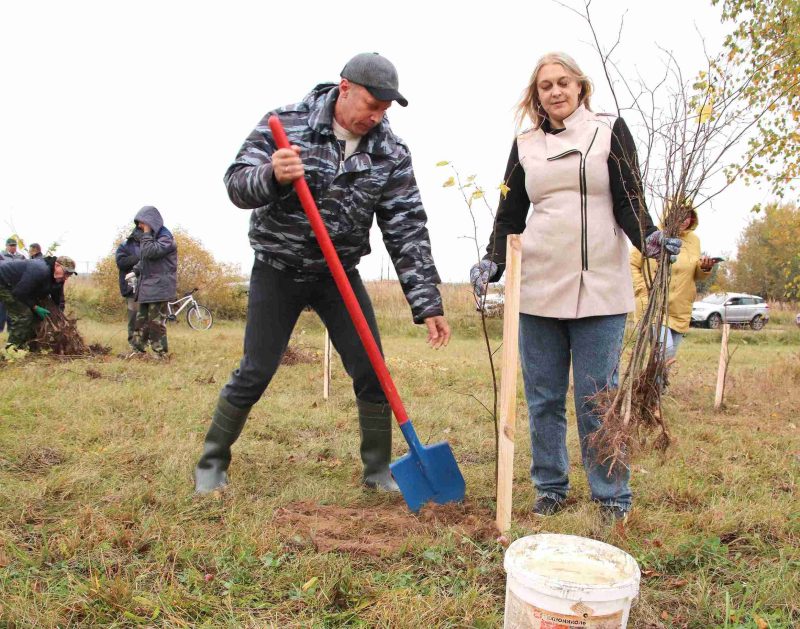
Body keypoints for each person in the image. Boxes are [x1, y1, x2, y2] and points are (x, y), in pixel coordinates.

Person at [193, 52, 450, 495]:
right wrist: (271, 175)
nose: (377, 116)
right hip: (278, 268)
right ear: (345, 88)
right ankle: (211, 463)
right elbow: (236, 183)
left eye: (385, 109)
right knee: (257, 369)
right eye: (372, 105)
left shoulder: (390, 152)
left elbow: (407, 227)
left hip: (338, 274)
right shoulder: (286, 124)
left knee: (371, 368)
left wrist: (427, 301)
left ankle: (378, 472)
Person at [470, 52, 681, 523]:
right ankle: (550, 488)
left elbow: (630, 199)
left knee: (597, 397)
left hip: (599, 284)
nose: (556, 91)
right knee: (543, 397)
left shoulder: (609, 130)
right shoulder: (525, 145)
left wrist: (649, 238)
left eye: (563, 82)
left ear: (580, 86)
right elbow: (509, 215)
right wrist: (493, 262)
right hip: (538, 285)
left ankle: (611, 496)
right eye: (545, 86)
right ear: (536, 95)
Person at [630, 206, 715, 366]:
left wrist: (704, 268)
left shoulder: (694, 241)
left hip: (679, 308)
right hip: (653, 305)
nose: (685, 219)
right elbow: (632, 264)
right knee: (665, 352)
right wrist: (642, 288)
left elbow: (695, 274)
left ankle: (652, 382)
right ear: (669, 213)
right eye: (680, 214)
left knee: (665, 362)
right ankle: (649, 380)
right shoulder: (652, 235)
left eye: (689, 215)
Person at [129, 206, 177, 357]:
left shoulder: (166, 239)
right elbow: (146, 259)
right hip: (147, 286)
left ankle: (160, 354)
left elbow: (150, 252)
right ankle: (138, 351)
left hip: (159, 287)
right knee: (141, 321)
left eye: (142, 222)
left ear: (150, 221)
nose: (140, 226)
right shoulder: (151, 238)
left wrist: (147, 232)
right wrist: (135, 271)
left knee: (155, 322)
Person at [0, 256, 77, 348]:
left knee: (36, 317)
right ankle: (11, 349)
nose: (66, 277)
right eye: (66, 273)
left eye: (69, 274)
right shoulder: (40, 270)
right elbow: (20, 292)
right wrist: (35, 307)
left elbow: (58, 299)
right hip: (4, 283)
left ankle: (29, 346)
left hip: (18, 287)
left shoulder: (59, 278)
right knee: (24, 315)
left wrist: (59, 316)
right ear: (57, 266)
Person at [115, 225, 143, 348]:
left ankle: (145, 342)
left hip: (149, 287)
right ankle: (134, 344)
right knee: (134, 316)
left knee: (148, 317)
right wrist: (138, 259)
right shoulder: (125, 245)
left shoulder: (151, 244)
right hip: (132, 287)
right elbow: (120, 263)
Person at [0, 238, 27, 333]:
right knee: (2, 308)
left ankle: (11, 329)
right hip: (3, 285)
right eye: (11, 245)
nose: (13, 247)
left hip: (16, 286)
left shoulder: (21, 257)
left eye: (14, 245)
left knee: (13, 308)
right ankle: (0, 329)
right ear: (6, 246)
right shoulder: (1, 256)